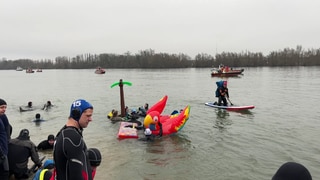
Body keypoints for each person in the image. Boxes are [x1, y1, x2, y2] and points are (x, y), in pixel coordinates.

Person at [53, 99, 94, 180]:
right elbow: (76, 175)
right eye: (88, 116)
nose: (90, 119)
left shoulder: (64, 133)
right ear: (77, 114)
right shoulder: (73, 138)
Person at [0, 98, 12, 179]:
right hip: (1, 152)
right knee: (5, 172)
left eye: (5, 107)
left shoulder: (3, 117)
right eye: (1, 107)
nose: (4, 109)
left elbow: (8, 128)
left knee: (5, 172)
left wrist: (8, 140)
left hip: (4, 148)